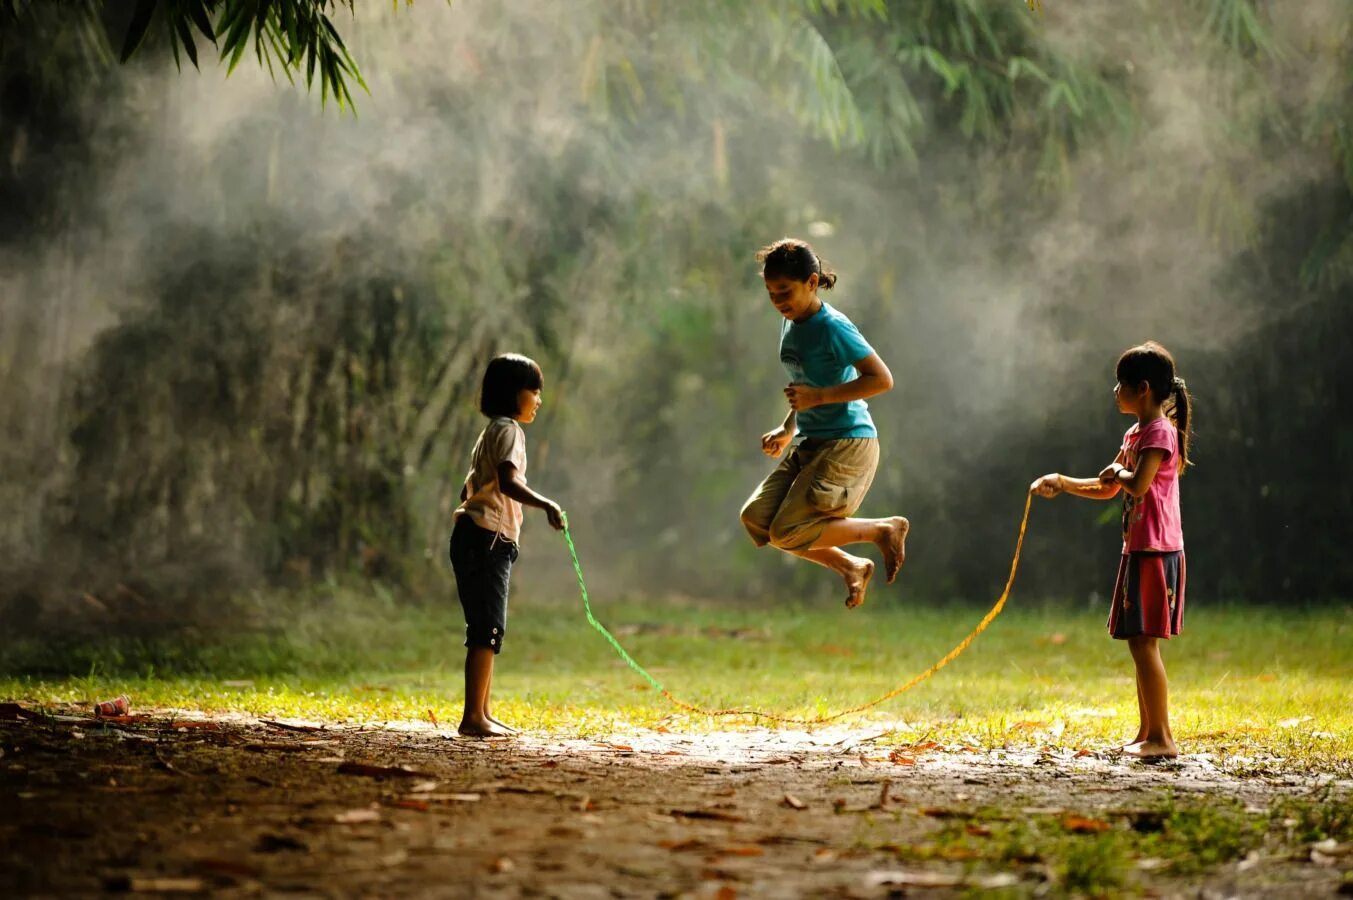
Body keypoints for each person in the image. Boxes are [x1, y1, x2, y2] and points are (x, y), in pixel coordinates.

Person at [1030, 340, 1193, 759]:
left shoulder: (1159, 432)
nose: (1115, 390)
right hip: (1138, 548)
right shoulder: (1135, 432)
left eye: (1120, 383)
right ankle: (1147, 732)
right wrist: (1063, 482)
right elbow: (1108, 487)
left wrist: (1120, 471)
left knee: (1144, 644)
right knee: (1137, 643)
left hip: (1156, 548)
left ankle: (1163, 738)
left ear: (1143, 388)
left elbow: (1135, 483)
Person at [739, 238, 910, 610]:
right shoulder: (791, 322)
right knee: (756, 519)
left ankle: (883, 529)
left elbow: (881, 379)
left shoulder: (833, 327)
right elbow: (806, 385)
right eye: (771, 293)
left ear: (812, 282)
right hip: (811, 440)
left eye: (785, 291)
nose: (778, 301)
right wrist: (788, 428)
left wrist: (818, 399)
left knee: (786, 531)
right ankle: (851, 566)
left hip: (847, 443)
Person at [450, 353, 565, 737]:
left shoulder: (491, 432)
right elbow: (507, 482)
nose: (539, 400)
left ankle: (483, 711)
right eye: (534, 391)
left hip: (473, 535)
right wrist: (546, 504)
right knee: (486, 628)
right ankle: (473, 716)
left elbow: (469, 489)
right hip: (488, 538)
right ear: (514, 393)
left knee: (487, 626)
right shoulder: (510, 431)